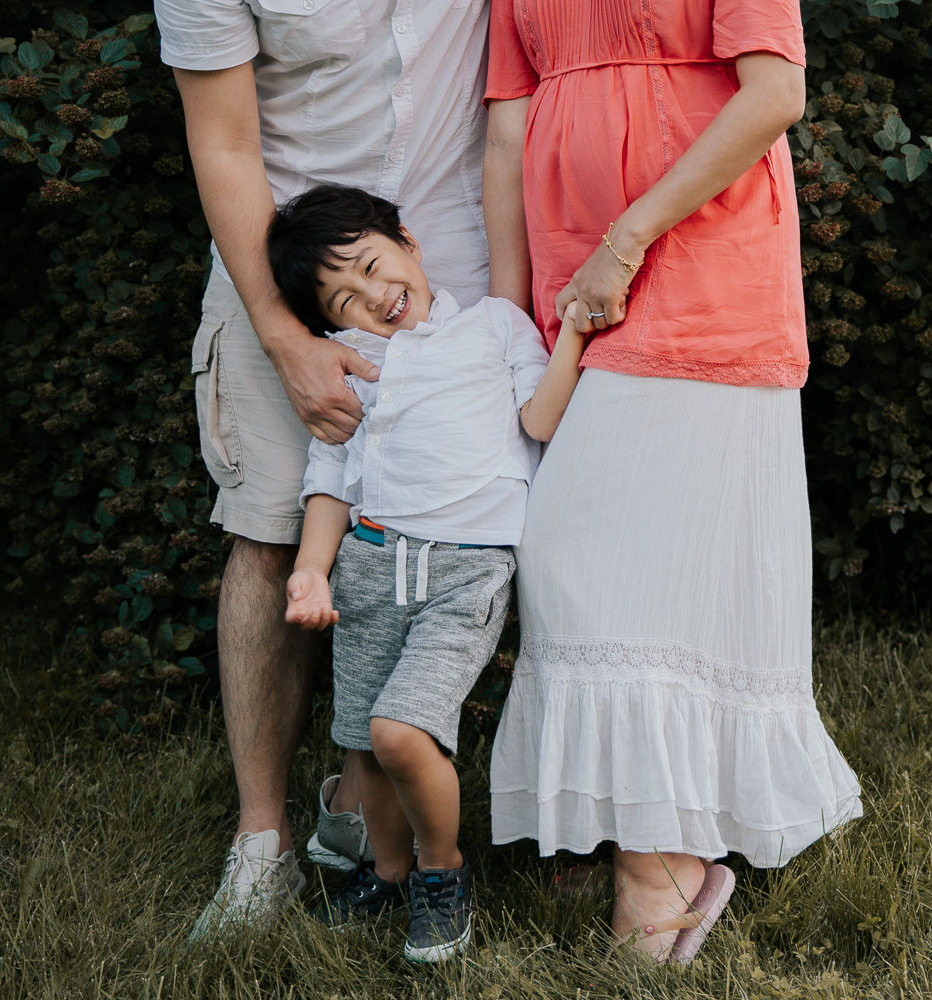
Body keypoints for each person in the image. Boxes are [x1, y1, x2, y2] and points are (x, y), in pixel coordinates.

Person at [482, 0, 864, 963]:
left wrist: (629, 236)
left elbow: (776, 93)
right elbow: (505, 127)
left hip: (699, 263)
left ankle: (662, 869)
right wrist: (498, 323)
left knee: (617, 569)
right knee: (574, 565)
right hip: (574, 283)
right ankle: (660, 845)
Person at [153, 1, 492, 939]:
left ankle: (497, 819)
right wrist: (286, 335)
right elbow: (222, 145)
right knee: (270, 538)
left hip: (450, 257)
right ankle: (261, 847)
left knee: (496, 529)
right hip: (283, 268)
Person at [267, 184, 584, 961]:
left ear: (407, 241)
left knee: (399, 732)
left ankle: (443, 874)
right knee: (365, 747)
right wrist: (311, 572)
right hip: (372, 566)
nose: (375, 297)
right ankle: (389, 870)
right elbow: (332, 478)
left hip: (467, 572)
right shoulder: (356, 364)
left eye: (375, 267)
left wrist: (574, 331)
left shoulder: (492, 326)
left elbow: (539, 420)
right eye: (345, 299)